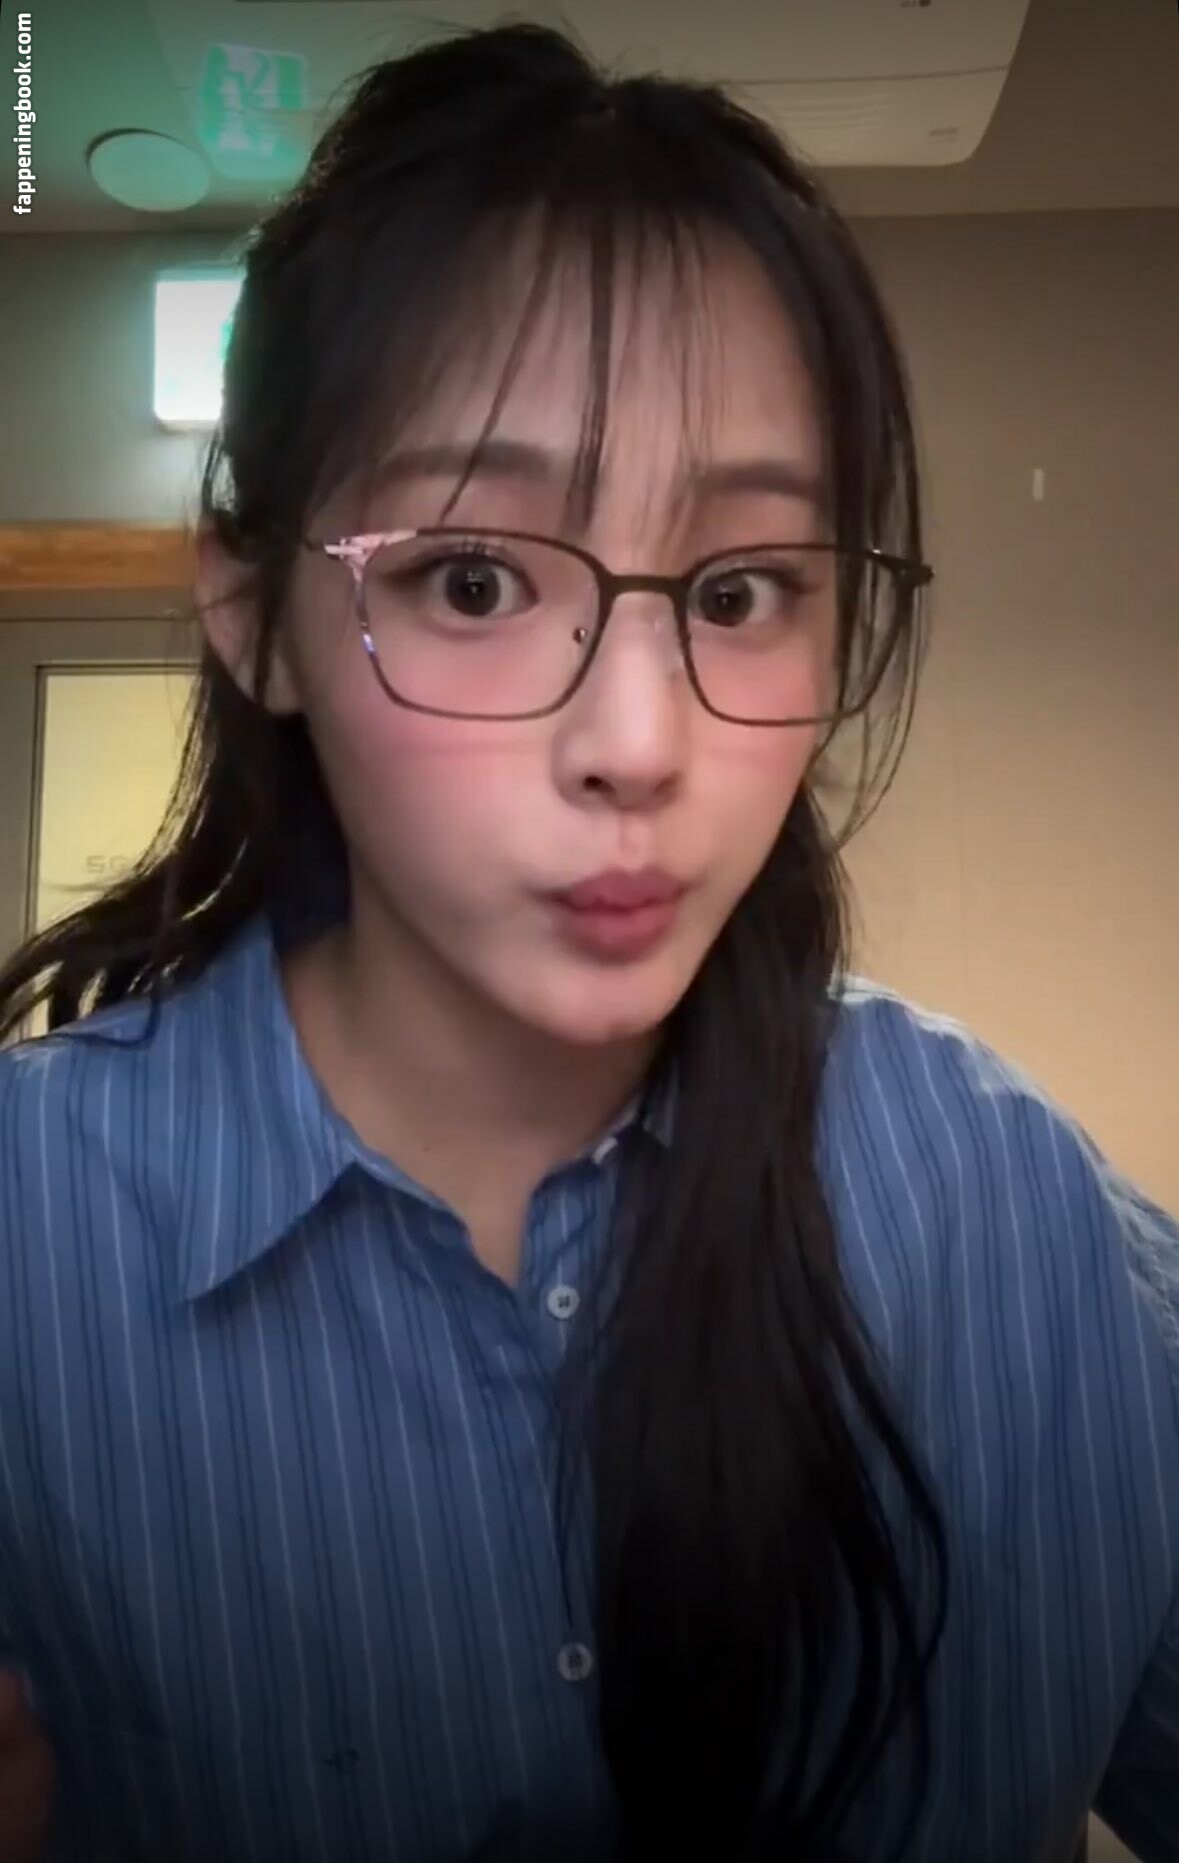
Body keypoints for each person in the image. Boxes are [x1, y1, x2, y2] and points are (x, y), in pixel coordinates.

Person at [0, 21, 1175, 1863]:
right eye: (473, 579)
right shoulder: (29, 1241)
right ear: (258, 617)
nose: (640, 742)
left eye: (740, 590)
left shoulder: (1018, 1218)